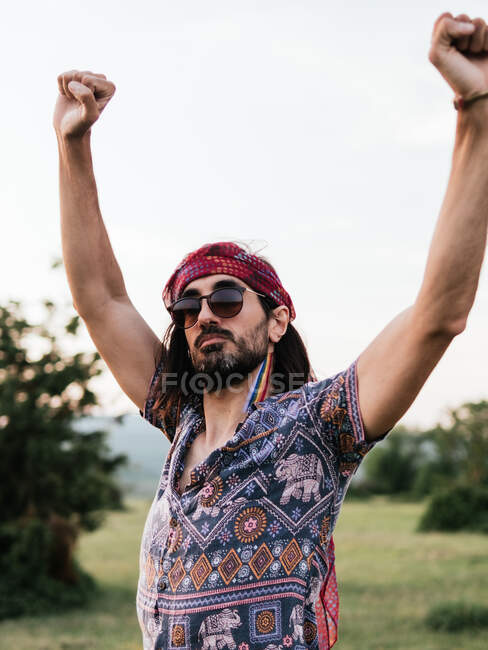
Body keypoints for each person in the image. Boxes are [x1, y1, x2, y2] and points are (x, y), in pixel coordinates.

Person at [53, 12, 488, 649]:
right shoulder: (181, 424)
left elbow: (438, 315)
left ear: (278, 319)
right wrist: (72, 145)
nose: (204, 315)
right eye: (188, 307)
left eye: (228, 297)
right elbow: (101, 298)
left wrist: (474, 110)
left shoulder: (316, 427)